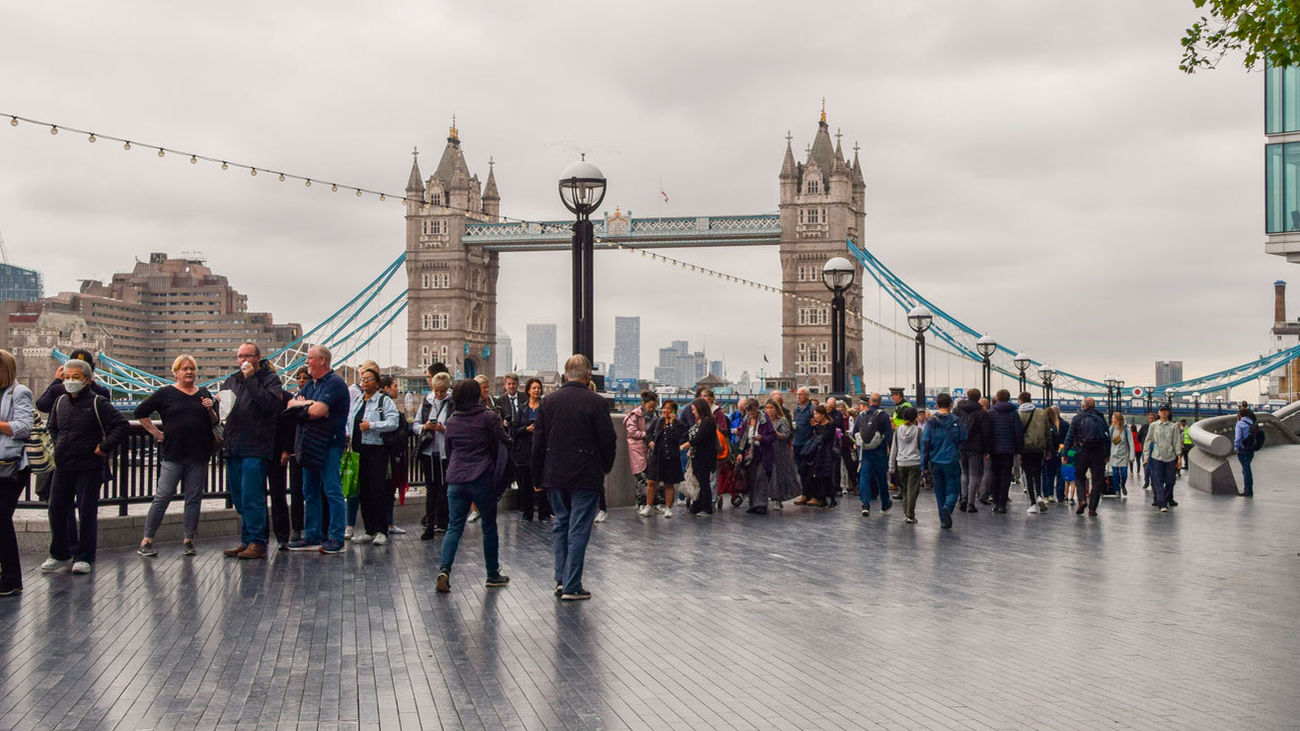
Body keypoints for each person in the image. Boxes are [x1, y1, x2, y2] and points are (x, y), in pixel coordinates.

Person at [531, 355, 617, 601]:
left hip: (554, 473)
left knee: (561, 524)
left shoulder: (548, 402)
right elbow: (608, 440)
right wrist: (604, 467)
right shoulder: (596, 403)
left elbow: (538, 442)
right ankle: (572, 585)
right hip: (585, 474)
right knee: (579, 527)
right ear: (588, 376)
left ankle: (560, 579)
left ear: (565, 375)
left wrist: (538, 476)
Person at [41, 358, 128, 575]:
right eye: (66, 377)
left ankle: (85, 557)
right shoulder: (60, 402)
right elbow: (52, 427)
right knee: (56, 508)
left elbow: (121, 425)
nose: (70, 381)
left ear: (87, 380)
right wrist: (56, 445)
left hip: (88, 466)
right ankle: (59, 553)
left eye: (75, 377)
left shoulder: (98, 403)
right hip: (62, 465)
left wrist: (103, 447)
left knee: (87, 511)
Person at [135, 354, 218, 558]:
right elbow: (140, 412)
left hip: (199, 454)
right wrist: (156, 433)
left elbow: (215, 422)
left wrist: (210, 409)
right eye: (184, 369)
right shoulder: (165, 393)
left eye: (191, 368)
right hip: (173, 454)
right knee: (163, 496)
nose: (188, 372)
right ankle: (146, 540)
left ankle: (189, 540)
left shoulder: (204, 393)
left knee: (193, 499)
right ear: (176, 372)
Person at [435, 379, 512, 593]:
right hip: (482, 478)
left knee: (454, 526)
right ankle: (492, 574)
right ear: (478, 396)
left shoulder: (452, 421)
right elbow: (504, 440)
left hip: (456, 480)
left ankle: (444, 569)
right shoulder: (488, 417)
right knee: (489, 526)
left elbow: (449, 450)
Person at [219, 342, 285, 560]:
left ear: (258, 357)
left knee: (252, 496)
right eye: (240, 356)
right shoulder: (231, 380)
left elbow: (269, 406)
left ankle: (257, 542)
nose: (243, 360)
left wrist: (250, 379)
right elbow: (227, 411)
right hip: (233, 445)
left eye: (248, 355)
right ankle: (246, 540)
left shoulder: (270, 379)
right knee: (239, 497)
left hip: (256, 446)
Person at [286, 345, 351, 554]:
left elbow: (317, 411)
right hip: (309, 443)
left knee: (332, 490)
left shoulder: (336, 384)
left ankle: (336, 537)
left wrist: (306, 407)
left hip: (330, 442)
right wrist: (308, 406)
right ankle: (312, 535)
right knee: (310, 491)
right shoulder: (311, 385)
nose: (306, 362)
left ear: (322, 360)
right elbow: (289, 405)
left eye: (310, 358)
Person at [345, 367, 399, 545]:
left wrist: (372, 425)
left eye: (368, 379)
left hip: (376, 449)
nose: (364, 381)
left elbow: (393, 422)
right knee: (363, 491)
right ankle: (369, 530)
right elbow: (349, 420)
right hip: (358, 450)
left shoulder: (384, 401)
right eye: (362, 379)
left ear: (377, 383)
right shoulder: (358, 400)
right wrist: (347, 434)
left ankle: (381, 530)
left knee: (377, 490)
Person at [0, 350, 34, 596]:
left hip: (9, 467)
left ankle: (12, 578)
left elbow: (23, 427)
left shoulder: (19, 392)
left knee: (2, 520)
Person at [416, 370, 454, 540]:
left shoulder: (453, 403)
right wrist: (424, 427)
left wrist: (444, 429)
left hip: (446, 453)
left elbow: (457, 427)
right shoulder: (426, 402)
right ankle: (429, 525)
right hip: (428, 452)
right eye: (436, 390)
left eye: (442, 391)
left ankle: (444, 522)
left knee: (446, 489)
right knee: (431, 489)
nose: (438, 394)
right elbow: (415, 425)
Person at [920, 393, 967, 529]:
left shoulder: (931, 422)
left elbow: (925, 442)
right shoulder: (957, 421)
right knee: (953, 490)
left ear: (936, 404)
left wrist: (924, 464)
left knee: (939, 491)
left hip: (935, 460)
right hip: (952, 459)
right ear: (951, 404)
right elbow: (964, 436)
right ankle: (949, 506)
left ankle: (943, 519)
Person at [1065, 397, 1110, 517]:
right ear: (1094, 407)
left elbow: (1069, 437)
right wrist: (1107, 454)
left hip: (1082, 451)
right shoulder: (1100, 418)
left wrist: (1065, 454)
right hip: (1098, 452)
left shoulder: (1077, 418)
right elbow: (1107, 437)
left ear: (1083, 406)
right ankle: (1092, 509)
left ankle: (1082, 500)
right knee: (1097, 480)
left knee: (1079, 477)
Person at [514, 378, 550, 521]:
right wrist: (526, 429)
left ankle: (544, 513)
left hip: (541, 450)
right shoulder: (522, 409)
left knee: (542, 482)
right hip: (525, 450)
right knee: (526, 483)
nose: (536, 390)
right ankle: (527, 513)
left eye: (538, 388)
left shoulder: (545, 407)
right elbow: (515, 429)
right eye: (534, 388)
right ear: (528, 390)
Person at [986, 389, 1024, 513]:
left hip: (994, 449)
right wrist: (1018, 450)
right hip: (1008, 450)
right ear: (1008, 398)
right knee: (1006, 476)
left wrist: (987, 449)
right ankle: (1002, 503)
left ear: (997, 397)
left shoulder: (991, 413)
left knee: (995, 475)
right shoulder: (1013, 413)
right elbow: (1018, 432)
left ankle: (995, 502)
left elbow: (988, 432)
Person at [646, 400, 686, 518]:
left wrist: (671, 424)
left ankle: (668, 508)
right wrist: (650, 441)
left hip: (671, 457)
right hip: (657, 456)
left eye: (669, 408)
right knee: (652, 481)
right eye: (664, 408)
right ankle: (648, 506)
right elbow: (648, 432)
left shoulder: (678, 424)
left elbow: (676, 437)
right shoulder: (658, 421)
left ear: (674, 411)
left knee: (669, 484)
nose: (666, 411)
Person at [954, 388, 991, 513]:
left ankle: (963, 499)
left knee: (964, 473)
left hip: (961, 446)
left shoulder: (957, 410)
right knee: (974, 475)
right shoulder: (982, 413)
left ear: (967, 396)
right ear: (978, 397)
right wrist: (987, 449)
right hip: (976, 448)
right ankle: (971, 503)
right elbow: (986, 434)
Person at [854, 393, 892, 515]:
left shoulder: (861, 415)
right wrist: (891, 450)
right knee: (882, 479)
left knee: (864, 477)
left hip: (865, 451)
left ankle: (865, 504)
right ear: (880, 402)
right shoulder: (884, 416)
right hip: (880, 451)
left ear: (869, 401)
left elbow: (854, 432)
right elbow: (889, 435)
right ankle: (885, 504)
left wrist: (858, 444)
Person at [800, 404, 840, 510]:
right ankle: (821, 499)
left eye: (817, 414)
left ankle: (832, 499)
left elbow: (824, 438)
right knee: (817, 476)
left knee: (826, 477)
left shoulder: (830, 425)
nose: (815, 416)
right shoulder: (818, 426)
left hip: (826, 453)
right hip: (818, 453)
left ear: (823, 415)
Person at [625, 391, 658, 516]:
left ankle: (650, 503)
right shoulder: (634, 415)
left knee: (651, 477)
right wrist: (647, 435)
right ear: (643, 403)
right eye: (650, 407)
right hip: (638, 449)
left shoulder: (655, 414)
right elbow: (632, 432)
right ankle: (641, 503)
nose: (651, 409)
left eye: (653, 407)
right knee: (641, 477)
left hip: (651, 449)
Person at [1143, 404, 1181, 511]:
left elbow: (1176, 443)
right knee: (1157, 481)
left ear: (1169, 412)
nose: (1163, 412)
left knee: (1170, 480)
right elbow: (1148, 441)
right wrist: (1146, 456)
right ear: (1158, 413)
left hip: (1170, 457)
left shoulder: (1173, 426)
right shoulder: (1154, 426)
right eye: (1161, 410)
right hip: (1157, 457)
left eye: (1166, 410)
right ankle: (1162, 503)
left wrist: (1179, 458)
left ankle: (1165, 499)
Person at [1017, 391, 1050, 514]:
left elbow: (1017, 433)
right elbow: (1048, 433)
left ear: (1020, 401)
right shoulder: (1042, 412)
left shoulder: (1018, 413)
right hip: (1039, 448)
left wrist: (1017, 450)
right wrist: (1048, 449)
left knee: (1028, 475)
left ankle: (1032, 503)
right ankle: (1039, 495)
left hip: (1025, 449)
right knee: (1037, 473)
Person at [686, 398, 720, 516]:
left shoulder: (708, 422)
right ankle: (696, 505)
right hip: (697, 456)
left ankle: (706, 507)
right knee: (699, 482)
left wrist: (685, 446)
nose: (693, 412)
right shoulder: (701, 422)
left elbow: (698, 438)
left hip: (704, 457)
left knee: (703, 482)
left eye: (694, 410)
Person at [889, 406, 922, 523]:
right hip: (915, 462)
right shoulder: (918, 431)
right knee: (913, 489)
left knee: (904, 488)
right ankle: (910, 514)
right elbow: (922, 448)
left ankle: (906, 511)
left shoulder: (898, 431)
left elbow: (894, 448)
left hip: (901, 462)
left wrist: (891, 465)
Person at [790, 387, 813, 501]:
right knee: (800, 470)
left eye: (801, 395)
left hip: (807, 443)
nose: (798, 397)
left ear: (807, 396)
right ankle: (804, 493)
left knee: (808, 469)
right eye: (798, 395)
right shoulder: (796, 410)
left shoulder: (811, 409)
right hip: (797, 442)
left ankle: (811, 494)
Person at [1233, 403, 1259, 497]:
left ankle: (1248, 490)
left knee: (1246, 469)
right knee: (1246, 468)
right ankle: (1248, 489)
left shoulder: (1240, 424)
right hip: (1251, 448)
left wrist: (1236, 448)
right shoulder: (1252, 423)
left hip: (1243, 449)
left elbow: (1238, 438)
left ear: (1240, 415)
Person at [1042, 406, 1066, 504]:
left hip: (1049, 453)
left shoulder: (1046, 425)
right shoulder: (1065, 424)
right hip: (1062, 453)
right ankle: (1060, 496)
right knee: (1061, 475)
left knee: (1048, 475)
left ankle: (1048, 495)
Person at [1108, 412, 1134, 498]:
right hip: (1113, 455)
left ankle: (1123, 485)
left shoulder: (1127, 430)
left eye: (1113, 418)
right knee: (1115, 474)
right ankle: (1117, 490)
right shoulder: (1111, 429)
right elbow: (1108, 443)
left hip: (1124, 455)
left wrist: (1131, 456)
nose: (1112, 420)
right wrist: (1107, 455)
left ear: (1117, 419)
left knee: (1124, 474)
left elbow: (1131, 443)